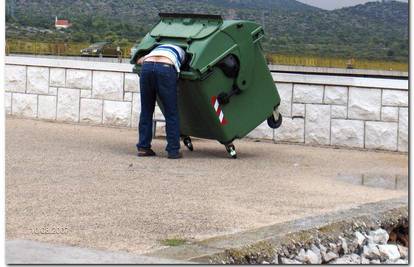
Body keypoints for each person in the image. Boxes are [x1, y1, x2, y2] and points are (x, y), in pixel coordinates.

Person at [135, 44, 186, 159]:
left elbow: (139, 61)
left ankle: (143, 147)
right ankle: (173, 151)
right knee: (171, 112)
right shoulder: (182, 51)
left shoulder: (155, 48)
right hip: (166, 67)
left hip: (147, 66)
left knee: (146, 111)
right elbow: (185, 66)